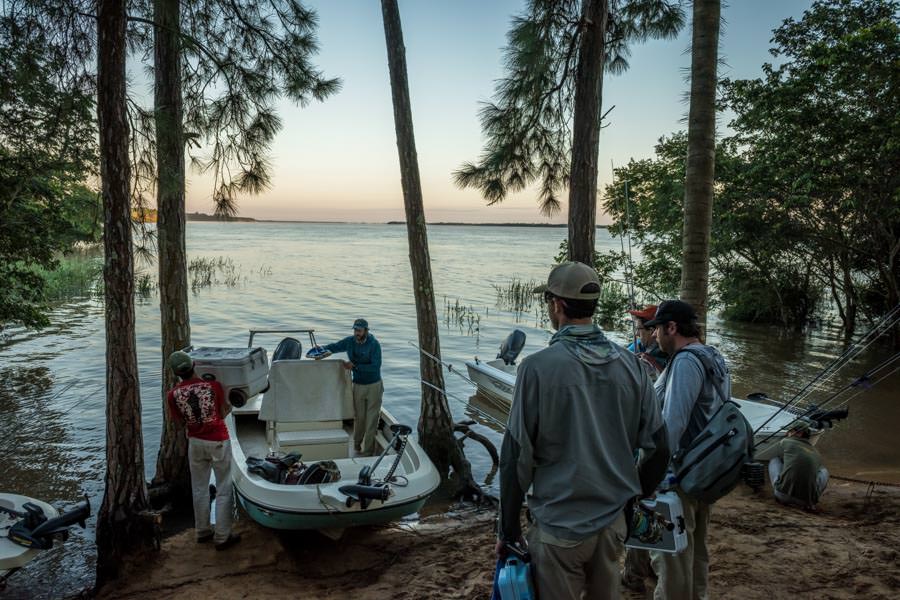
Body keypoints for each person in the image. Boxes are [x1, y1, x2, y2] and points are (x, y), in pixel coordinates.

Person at [497, 261, 670, 600]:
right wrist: (633, 497)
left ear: (557, 305)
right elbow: (659, 448)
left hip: (559, 527)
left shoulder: (535, 368)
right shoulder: (633, 367)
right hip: (612, 526)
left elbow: (515, 456)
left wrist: (508, 526)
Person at [645, 300, 731, 600]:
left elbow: (673, 424)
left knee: (673, 554)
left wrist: (654, 475)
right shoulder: (714, 356)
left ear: (672, 328)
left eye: (656, 329)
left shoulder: (684, 361)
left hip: (681, 474)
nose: (654, 336)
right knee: (696, 547)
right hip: (708, 469)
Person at [166, 350, 240, 551]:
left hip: (195, 442)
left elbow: (180, 422)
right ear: (194, 365)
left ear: (176, 373)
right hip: (218, 440)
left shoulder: (173, 395)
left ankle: (202, 531)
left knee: (199, 488)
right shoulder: (213, 386)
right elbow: (223, 411)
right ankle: (223, 536)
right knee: (223, 487)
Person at [317, 318, 383, 456]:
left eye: (359, 330)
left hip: (374, 385)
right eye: (355, 330)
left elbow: (375, 366)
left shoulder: (374, 344)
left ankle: (368, 450)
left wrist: (355, 366)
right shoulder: (350, 341)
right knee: (359, 418)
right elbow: (335, 346)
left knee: (371, 420)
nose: (356, 333)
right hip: (358, 385)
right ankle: (357, 446)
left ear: (366, 330)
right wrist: (321, 350)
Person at [768, 419, 829, 511]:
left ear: (799, 433)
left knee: (775, 460)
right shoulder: (816, 453)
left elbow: (782, 452)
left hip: (782, 495)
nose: (787, 433)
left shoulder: (786, 441)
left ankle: (781, 494)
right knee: (824, 471)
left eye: (790, 431)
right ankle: (811, 502)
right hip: (806, 502)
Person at [627, 304, 669, 375]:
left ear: (651, 330)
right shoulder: (640, 345)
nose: (636, 334)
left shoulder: (660, 355)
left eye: (639, 329)